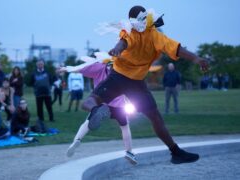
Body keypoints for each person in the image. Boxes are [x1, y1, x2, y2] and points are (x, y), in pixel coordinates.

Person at [81, 5, 208, 164]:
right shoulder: (150, 35)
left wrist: (117, 49)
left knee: (91, 100)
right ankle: (175, 152)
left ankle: (96, 109)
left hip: (121, 78)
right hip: (133, 82)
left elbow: (124, 42)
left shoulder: (146, 34)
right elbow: (176, 48)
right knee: (155, 117)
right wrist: (197, 59)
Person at [60, 58, 137, 164]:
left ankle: (77, 140)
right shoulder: (122, 72)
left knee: (87, 123)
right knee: (124, 127)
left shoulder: (99, 68)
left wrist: (67, 69)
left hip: (102, 103)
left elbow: (82, 69)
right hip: (119, 105)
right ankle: (129, 152)